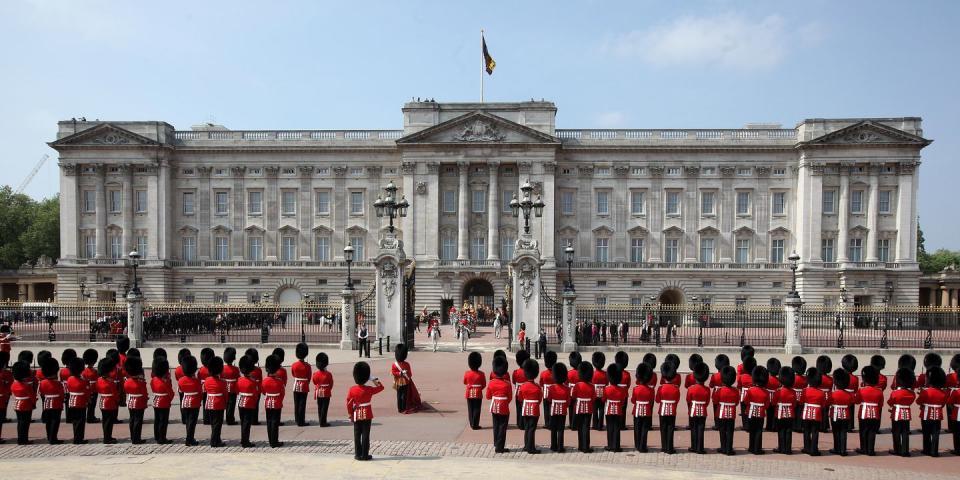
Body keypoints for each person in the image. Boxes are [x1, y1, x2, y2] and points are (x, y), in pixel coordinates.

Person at [347, 361, 384, 461]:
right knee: (366, 435)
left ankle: (357, 454)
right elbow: (381, 387)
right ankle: (365, 455)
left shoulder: (352, 389)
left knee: (357, 434)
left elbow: (349, 403)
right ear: (366, 377)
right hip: (367, 414)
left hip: (356, 414)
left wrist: (350, 414)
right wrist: (373, 379)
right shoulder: (369, 389)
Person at [917, 366, 948, 457]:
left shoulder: (926, 391)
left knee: (926, 432)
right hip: (938, 414)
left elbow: (918, 402)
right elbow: (942, 404)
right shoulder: (943, 393)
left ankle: (927, 450)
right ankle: (934, 451)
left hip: (926, 414)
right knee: (935, 433)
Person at [889, 367, 916, 457]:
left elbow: (890, 402)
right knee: (905, 432)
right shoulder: (912, 393)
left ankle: (897, 449)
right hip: (906, 414)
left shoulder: (895, 393)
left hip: (896, 413)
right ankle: (905, 450)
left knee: (896, 431)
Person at [487, 356, 512, 453]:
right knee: (502, 426)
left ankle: (496, 443)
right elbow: (509, 398)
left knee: (496, 425)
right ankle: (500, 447)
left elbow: (488, 396)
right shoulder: (507, 384)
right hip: (504, 405)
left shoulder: (491, 383)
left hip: (494, 406)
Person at [517, 359, 542, 454]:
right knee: (532, 428)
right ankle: (531, 448)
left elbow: (520, 398)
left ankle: (527, 445)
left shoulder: (523, 386)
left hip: (525, 408)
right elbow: (539, 400)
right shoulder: (537, 387)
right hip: (534, 408)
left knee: (527, 427)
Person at [713, 366, 739, 456]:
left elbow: (715, 401)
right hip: (731, 414)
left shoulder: (720, 391)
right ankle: (729, 449)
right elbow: (736, 403)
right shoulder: (735, 391)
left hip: (721, 413)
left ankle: (723, 447)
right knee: (730, 431)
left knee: (722, 430)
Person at [744, 365, 770, 455]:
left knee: (752, 431)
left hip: (751, 412)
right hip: (761, 413)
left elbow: (746, 401)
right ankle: (757, 449)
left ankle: (751, 447)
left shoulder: (750, 390)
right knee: (759, 431)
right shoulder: (766, 392)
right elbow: (767, 405)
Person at [829, 369, 854, 456]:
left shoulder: (832, 394)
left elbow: (828, 402)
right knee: (843, 432)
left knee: (836, 432)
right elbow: (851, 403)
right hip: (845, 414)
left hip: (834, 414)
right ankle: (843, 450)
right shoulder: (849, 394)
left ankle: (837, 448)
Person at [656, 361, 680, 454]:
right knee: (670, 429)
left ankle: (664, 447)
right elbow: (677, 400)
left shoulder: (660, 388)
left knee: (663, 429)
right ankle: (670, 448)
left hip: (662, 410)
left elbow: (657, 400)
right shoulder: (676, 388)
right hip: (672, 410)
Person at [122, 356, 148, 444]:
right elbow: (144, 394)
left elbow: (126, 391)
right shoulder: (141, 382)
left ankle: (133, 437)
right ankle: (137, 438)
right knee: (138, 420)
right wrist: (145, 401)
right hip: (139, 402)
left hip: (130, 401)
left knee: (132, 419)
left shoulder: (126, 381)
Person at [800, 367, 825, 456]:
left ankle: (807, 448)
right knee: (815, 432)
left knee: (806, 431)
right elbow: (823, 405)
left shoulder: (805, 391)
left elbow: (801, 402)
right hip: (817, 413)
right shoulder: (821, 393)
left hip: (806, 412)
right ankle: (814, 449)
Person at [687, 362, 711, 454]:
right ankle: (700, 448)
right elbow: (707, 402)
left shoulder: (691, 388)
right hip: (703, 411)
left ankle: (693, 446)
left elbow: (688, 400)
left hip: (693, 410)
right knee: (701, 429)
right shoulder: (707, 389)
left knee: (693, 428)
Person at [38, 357, 63, 444]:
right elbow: (61, 394)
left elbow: (41, 392)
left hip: (46, 403)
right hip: (56, 404)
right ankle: (53, 438)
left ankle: (49, 437)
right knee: (55, 422)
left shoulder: (42, 382)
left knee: (48, 422)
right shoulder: (58, 383)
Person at [177, 355, 201, 446]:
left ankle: (189, 437)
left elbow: (180, 391)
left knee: (188, 421)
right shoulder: (196, 381)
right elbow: (200, 392)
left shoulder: (181, 380)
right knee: (192, 422)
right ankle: (189, 439)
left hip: (185, 402)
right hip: (194, 403)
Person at [95, 356, 119, 444]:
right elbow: (115, 394)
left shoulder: (99, 380)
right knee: (109, 421)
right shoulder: (110, 382)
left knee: (105, 421)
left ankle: (107, 436)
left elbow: (97, 389)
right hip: (109, 402)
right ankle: (107, 438)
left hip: (102, 401)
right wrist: (117, 400)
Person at [262, 354, 285, 448]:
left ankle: (270, 440)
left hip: (267, 402)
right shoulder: (279, 381)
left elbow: (263, 391)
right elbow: (282, 393)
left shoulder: (264, 381)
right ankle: (274, 441)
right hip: (276, 403)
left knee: (269, 421)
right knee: (275, 422)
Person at [237, 356, 260, 448]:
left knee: (243, 422)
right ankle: (245, 441)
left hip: (240, 402)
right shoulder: (253, 382)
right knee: (247, 423)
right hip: (249, 403)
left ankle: (243, 439)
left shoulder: (239, 380)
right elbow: (255, 394)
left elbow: (237, 390)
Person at [545, 362, 569, 452]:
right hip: (562, 411)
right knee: (561, 429)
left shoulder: (551, 388)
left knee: (553, 428)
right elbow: (568, 402)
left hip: (553, 410)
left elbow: (549, 399)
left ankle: (553, 445)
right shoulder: (567, 388)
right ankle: (560, 447)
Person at [773, 366, 796, 455]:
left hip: (780, 413)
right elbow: (794, 404)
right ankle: (788, 449)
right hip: (790, 413)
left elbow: (774, 402)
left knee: (781, 430)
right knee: (788, 431)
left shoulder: (778, 391)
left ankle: (781, 447)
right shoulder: (793, 392)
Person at [65, 357, 88, 444]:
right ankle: (78, 439)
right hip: (80, 402)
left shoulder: (69, 379)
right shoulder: (83, 381)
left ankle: (76, 437)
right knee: (80, 421)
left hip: (72, 401)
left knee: (75, 421)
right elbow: (86, 392)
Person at [392, 344, 421, 413]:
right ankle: (404, 407)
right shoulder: (407, 364)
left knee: (399, 395)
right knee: (404, 395)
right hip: (405, 381)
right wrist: (403, 373)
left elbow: (393, 373)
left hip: (398, 382)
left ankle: (400, 408)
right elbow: (410, 374)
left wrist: (399, 373)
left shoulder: (394, 364)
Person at [631, 363, 654, 452]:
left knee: (637, 428)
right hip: (647, 411)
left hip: (637, 411)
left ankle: (637, 445)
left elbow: (633, 401)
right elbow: (651, 401)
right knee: (645, 429)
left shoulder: (636, 389)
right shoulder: (651, 390)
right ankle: (642, 446)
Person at [11, 361, 35, 445]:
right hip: (26, 405)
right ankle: (24, 440)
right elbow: (32, 396)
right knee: (25, 423)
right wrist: (34, 402)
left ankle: (20, 439)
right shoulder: (26, 386)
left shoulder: (14, 384)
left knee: (20, 423)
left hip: (17, 404)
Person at [573, 361, 594, 453]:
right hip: (588, 408)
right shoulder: (592, 386)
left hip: (578, 408)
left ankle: (580, 446)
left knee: (580, 427)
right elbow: (593, 398)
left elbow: (573, 396)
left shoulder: (577, 385)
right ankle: (586, 446)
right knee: (586, 427)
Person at [150, 357, 173, 445]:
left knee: (157, 420)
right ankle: (162, 438)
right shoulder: (165, 382)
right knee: (163, 421)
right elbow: (171, 393)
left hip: (156, 401)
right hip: (164, 402)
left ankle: (157, 436)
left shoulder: (153, 380)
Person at [603, 363, 625, 452]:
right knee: (617, 428)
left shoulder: (607, 389)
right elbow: (623, 401)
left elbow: (603, 399)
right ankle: (616, 446)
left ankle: (610, 445)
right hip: (618, 410)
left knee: (609, 428)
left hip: (608, 409)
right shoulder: (622, 390)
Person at [463, 352, 486, 430]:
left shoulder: (467, 373)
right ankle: (475, 424)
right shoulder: (481, 374)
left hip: (469, 392)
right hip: (478, 392)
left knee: (470, 408)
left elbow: (465, 382)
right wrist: (479, 388)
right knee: (477, 408)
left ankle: (471, 423)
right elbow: (484, 384)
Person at [291, 343, 311, 427]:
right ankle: (301, 421)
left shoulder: (294, 365)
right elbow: (309, 377)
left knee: (296, 403)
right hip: (304, 385)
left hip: (296, 385)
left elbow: (293, 374)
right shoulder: (307, 366)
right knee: (302, 404)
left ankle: (297, 418)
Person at [312, 352, 333, 427]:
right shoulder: (328, 374)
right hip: (326, 391)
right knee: (325, 407)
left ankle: (321, 420)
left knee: (320, 407)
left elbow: (314, 382)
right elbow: (331, 384)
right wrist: (328, 388)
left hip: (318, 392)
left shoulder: (315, 374)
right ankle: (323, 422)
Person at [737, 356, 756, 431]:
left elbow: (739, 386)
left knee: (744, 411)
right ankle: (751, 425)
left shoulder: (742, 377)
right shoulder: (754, 376)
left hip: (744, 395)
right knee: (752, 409)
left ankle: (745, 425)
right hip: (753, 394)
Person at [512, 350, 530, 428]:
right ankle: (524, 422)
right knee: (525, 407)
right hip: (527, 391)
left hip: (518, 391)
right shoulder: (528, 371)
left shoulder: (515, 372)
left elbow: (514, 381)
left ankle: (519, 422)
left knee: (518, 407)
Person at [816, 356, 834, 433]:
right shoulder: (830, 379)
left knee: (820, 411)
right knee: (825, 411)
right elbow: (830, 388)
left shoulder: (818, 377)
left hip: (819, 395)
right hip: (827, 395)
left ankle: (819, 425)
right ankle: (825, 426)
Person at [222, 348, 239, 426]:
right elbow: (238, 378)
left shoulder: (222, 368)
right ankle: (230, 419)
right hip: (232, 389)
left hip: (224, 388)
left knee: (225, 404)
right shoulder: (235, 369)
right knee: (231, 405)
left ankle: (225, 418)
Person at [81, 349, 99, 424]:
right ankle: (91, 417)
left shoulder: (84, 371)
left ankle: (88, 417)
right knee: (92, 405)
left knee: (88, 404)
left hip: (86, 389)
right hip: (93, 390)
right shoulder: (95, 371)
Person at [764, 358, 782, 432]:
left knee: (769, 413)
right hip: (776, 397)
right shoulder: (779, 380)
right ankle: (775, 426)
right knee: (775, 413)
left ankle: (769, 426)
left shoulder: (767, 379)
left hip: (768, 397)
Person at [790, 356, 808, 433]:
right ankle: (799, 426)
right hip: (802, 396)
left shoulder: (793, 377)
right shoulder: (805, 379)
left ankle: (793, 426)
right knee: (800, 412)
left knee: (793, 411)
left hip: (793, 395)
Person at [591, 352, 607, 431]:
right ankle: (600, 425)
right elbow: (607, 383)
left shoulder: (593, 374)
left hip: (594, 393)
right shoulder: (605, 374)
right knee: (601, 409)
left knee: (594, 409)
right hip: (603, 392)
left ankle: (595, 424)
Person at [540, 351, 557, 428]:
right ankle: (553, 422)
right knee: (553, 407)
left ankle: (547, 423)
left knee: (546, 408)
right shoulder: (556, 372)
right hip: (555, 392)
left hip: (546, 393)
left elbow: (541, 384)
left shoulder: (543, 373)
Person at [566, 352, 581, 431]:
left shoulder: (569, 373)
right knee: (577, 408)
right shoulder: (580, 373)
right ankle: (576, 424)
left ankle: (571, 424)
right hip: (579, 391)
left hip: (570, 391)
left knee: (571, 408)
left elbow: (565, 383)